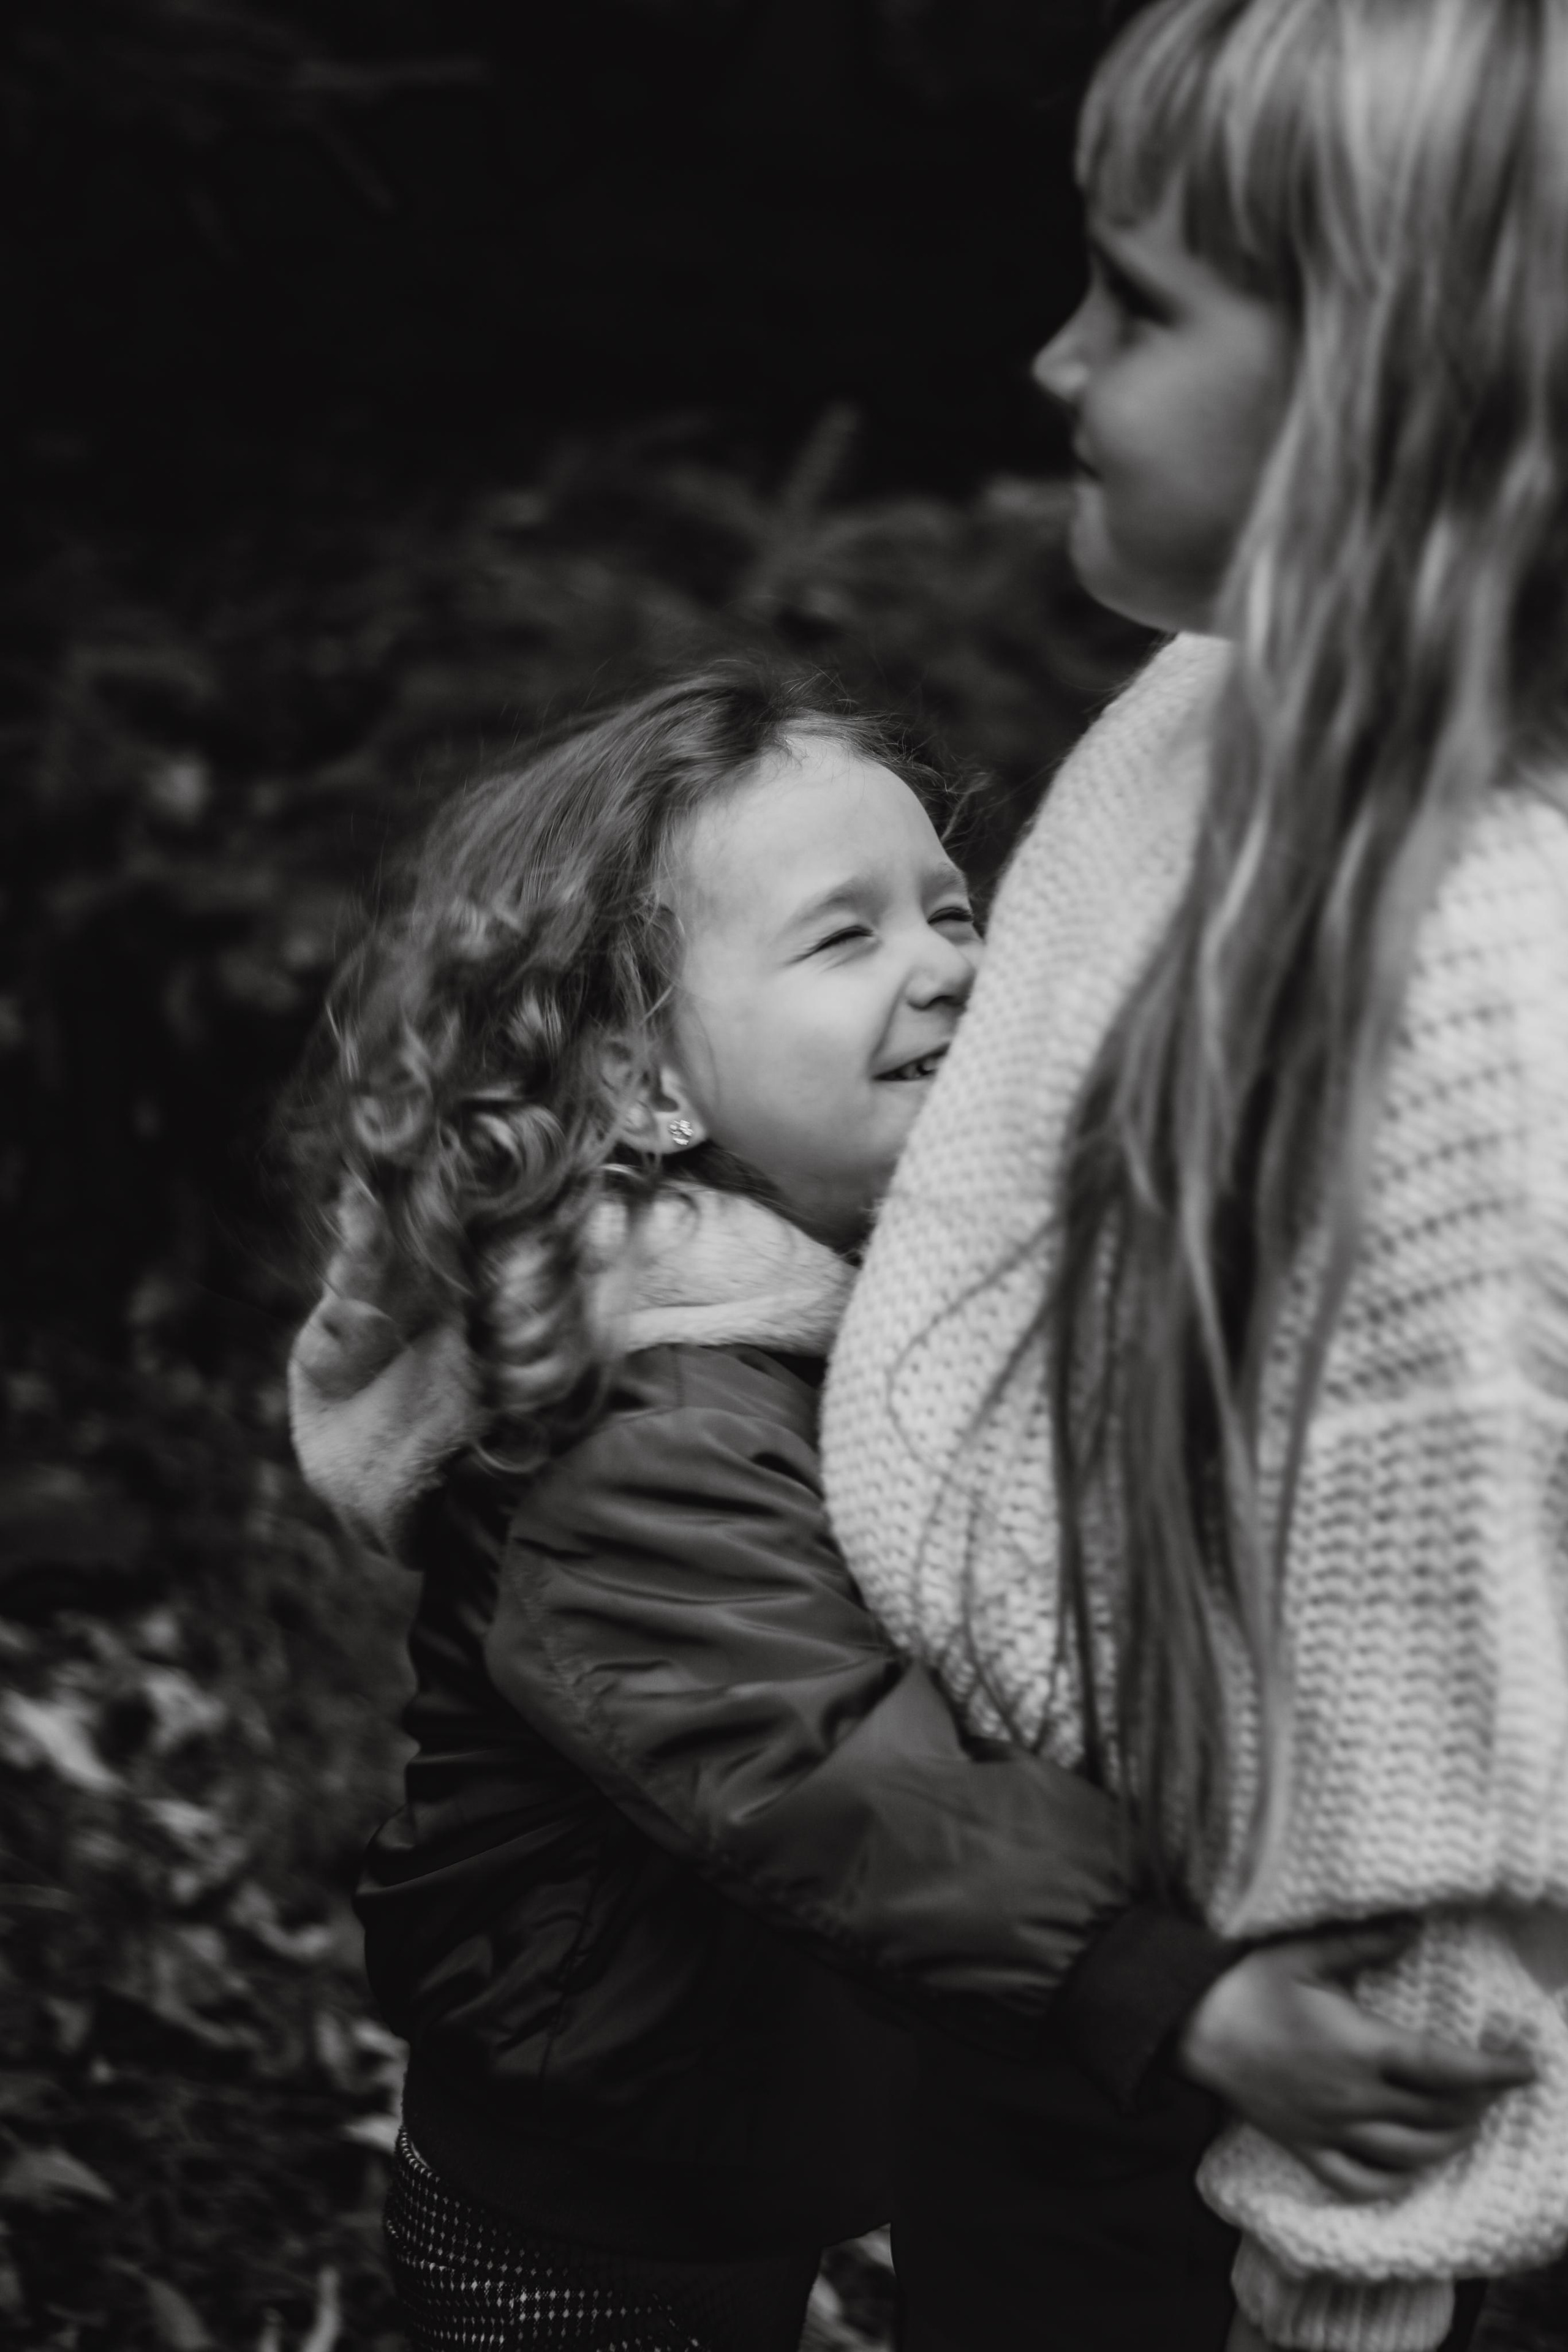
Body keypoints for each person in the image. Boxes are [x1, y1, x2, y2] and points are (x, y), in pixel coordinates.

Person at [288, 668, 1516, 2352]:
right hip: (588, 2200)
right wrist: (1159, 1986)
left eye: (949, 908)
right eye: (842, 937)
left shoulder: (862, 1297)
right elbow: (828, 1770)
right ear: (642, 1084)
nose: (952, 961)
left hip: (761, 2110)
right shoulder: (631, 1418)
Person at [823, 2, 1568, 2349]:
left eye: (1138, 306)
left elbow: (1444, 1798)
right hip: (1043, 1940)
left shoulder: (1464, 1027)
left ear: (1402, 404)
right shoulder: (1208, 701)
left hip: (1215, 2113)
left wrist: (1345, 2297)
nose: (1054, 360)